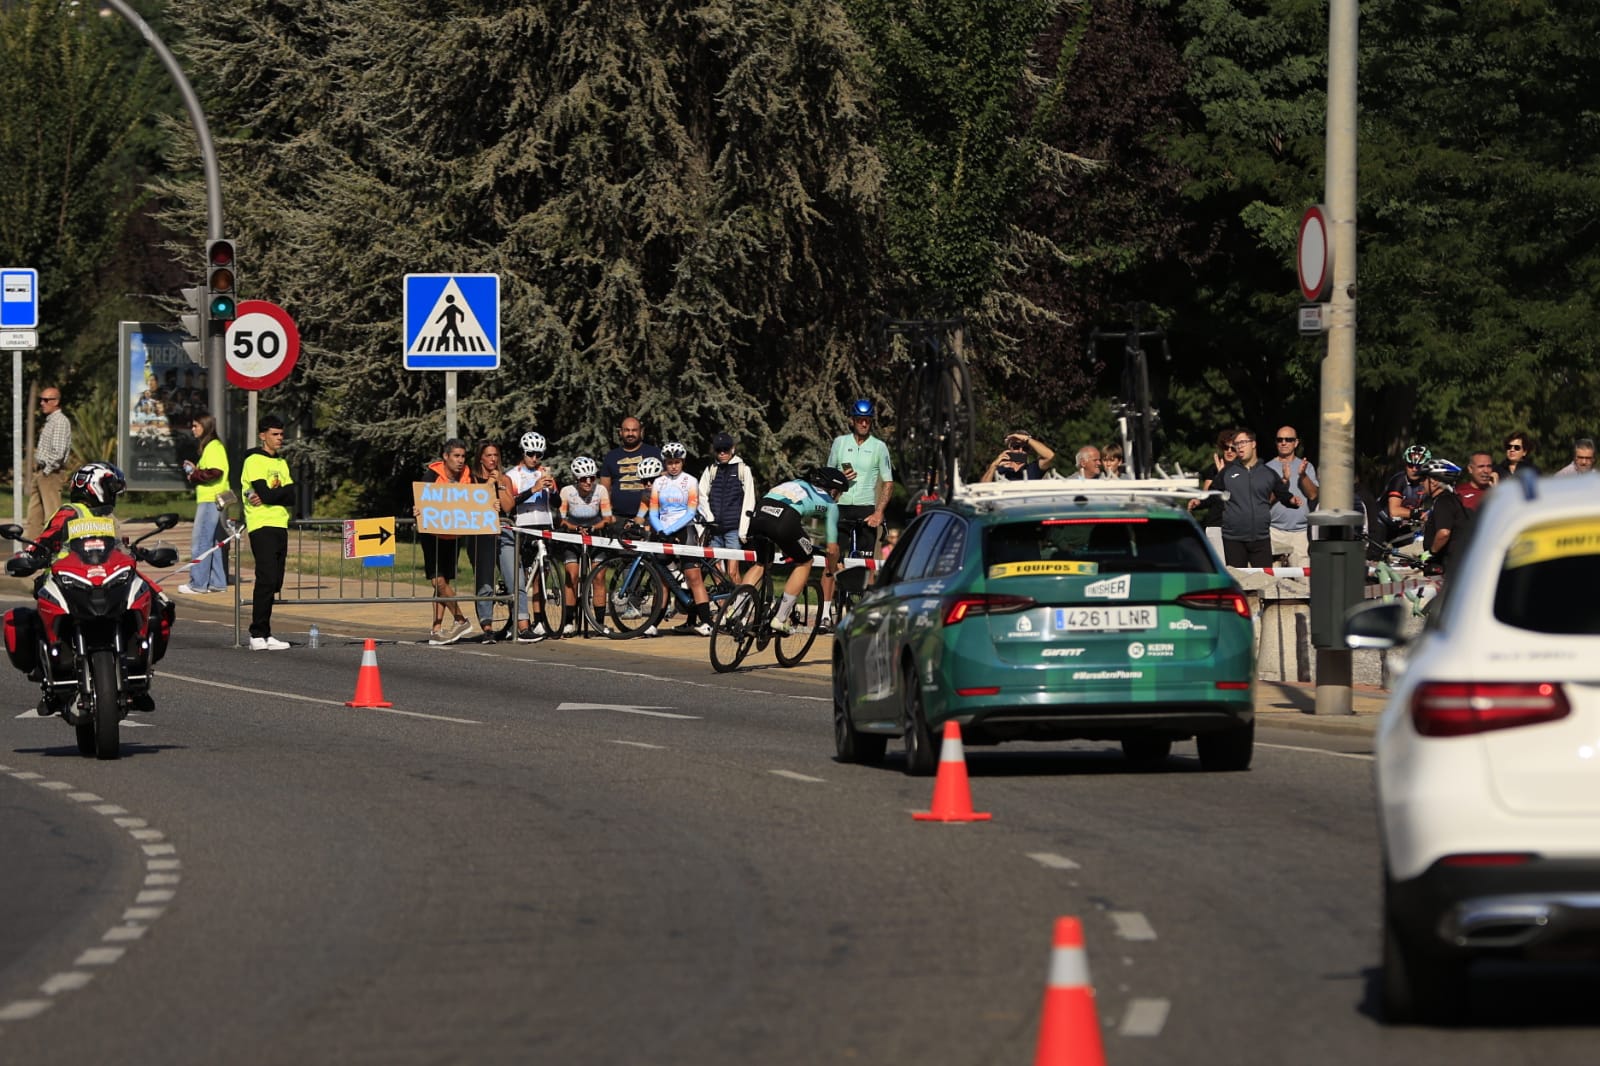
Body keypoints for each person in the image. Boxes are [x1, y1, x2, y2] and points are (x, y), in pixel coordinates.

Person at [12, 462, 171, 714]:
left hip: (106, 577)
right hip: (67, 577)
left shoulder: (106, 518)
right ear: (93, 486)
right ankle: (47, 676)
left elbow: (121, 547)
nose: (113, 494)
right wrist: (30, 556)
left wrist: (142, 552)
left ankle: (139, 676)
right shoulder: (68, 513)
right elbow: (44, 540)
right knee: (38, 611)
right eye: (110, 488)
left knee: (161, 607)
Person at [740, 467, 846, 635]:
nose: (839, 498)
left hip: (760, 513)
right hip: (784, 520)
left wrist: (789, 545)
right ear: (834, 491)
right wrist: (832, 571)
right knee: (805, 561)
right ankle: (780, 618)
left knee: (761, 563)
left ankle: (735, 610)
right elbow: (832, 549)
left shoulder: (797, 483)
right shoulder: (831, 504)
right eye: (840, 494)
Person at [824, 399, 893, 618]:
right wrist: (840, 479)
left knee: (866, 564)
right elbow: (827, 476)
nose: (864, 424)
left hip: (866, 509)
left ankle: (864, 613)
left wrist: (879, 512)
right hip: (841, 506)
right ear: (852, 421)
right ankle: (825, 613)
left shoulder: (879, 447)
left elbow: (888, 482)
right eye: (860, 420)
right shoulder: (839, 443)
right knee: (831, 557)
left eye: (867, 421)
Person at [638, 442, 714, 636]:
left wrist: (671, 530)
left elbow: (691, 512)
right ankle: (653, 624)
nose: (673, 466)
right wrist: (661, 530)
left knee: (693, 577)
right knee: (663, 580)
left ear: (682, 462)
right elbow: (653, 511)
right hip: (662, 529)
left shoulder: (690, 481)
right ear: (665, 463)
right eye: (670, 462)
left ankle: (707, 623)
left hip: (684, 529)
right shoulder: (658, 483)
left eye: (677, 462)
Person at [241, 416, 295, 651]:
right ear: (263, 436)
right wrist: (273, 495)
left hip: (280, 523)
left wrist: (272, 496)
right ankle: (257, 633)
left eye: (281, 434)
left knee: (276, 581)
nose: (279, 438)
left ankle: (267, 632)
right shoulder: (254, 460)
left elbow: (291, 495)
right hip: (261, 524)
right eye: (275, 434)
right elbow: (265, 493)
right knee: (266, 578)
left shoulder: (281, 462)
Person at [415, 438, 476, 645]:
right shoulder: (431, 476)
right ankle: (461, 620)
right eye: (456, 456)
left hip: (453, 535)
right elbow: (420, 499)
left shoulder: (468, 477)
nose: (460, 460)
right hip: (432, 535)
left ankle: (436, 629)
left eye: (463, 456)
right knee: (438, 581)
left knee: (443, 583)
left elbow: (478, 499)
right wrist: (417, 509)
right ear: (445, 457)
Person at [505, 431, 560, 642]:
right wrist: (533, 489)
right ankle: (515, 620)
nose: (535, 458)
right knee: (521, 578)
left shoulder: (545, 473)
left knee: (540, 576)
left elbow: (556, 503)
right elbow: (511, 504)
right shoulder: (513, 475)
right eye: (530, 454)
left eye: (539, 455)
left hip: (544, 525)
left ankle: (539, 621)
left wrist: (552, 491)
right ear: (523, 452)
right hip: (523, 526)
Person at [1210, 430, 1294, 567]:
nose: (1239, 447)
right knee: (1239, 579)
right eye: (1237, 444)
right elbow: (1211, 495)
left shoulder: (1268, 473)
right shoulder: (1227, 472)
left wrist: (1292, 501)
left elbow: (1282, 494)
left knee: (1265, 579)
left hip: (1261, 538)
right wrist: (1198, 502)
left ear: (1253, 444)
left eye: (1243, 442)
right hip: (1233, 538)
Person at [557, 456, 614, 636]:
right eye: (583, 479)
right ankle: (568, 622)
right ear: (576, 478)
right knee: (572, 576)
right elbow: (561, 519)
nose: (588, 482)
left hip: (595, 532)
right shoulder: (567, 491)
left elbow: (607, 518)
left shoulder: (601, 490)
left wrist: (593, 528)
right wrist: (575, 528)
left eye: (592, 478)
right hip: (573, 533)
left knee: (599, 578)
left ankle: (599, 623)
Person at [178, 412, 230, 595]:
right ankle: (217, 582)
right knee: (213, 542)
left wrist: (194, 475)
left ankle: (198, 584)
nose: (193, 429)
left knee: (201, 541)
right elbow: (211, 470)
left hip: (210, 499)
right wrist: (196, 470)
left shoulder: (214, 446)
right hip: (211, 499)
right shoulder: (211, 447)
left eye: (196, 426)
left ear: (205, 426)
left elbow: (216, 472)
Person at [471, 440, 517, 642]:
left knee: (512, 578)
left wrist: (499, 485)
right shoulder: (472, 479)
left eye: (496, 455)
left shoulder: (504, 479)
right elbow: (472, 503)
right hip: (480, 533)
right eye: (488, 455)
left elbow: (508, 507)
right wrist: (488, 484)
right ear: (480, 458)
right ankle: (487, 625)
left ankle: (519, 622)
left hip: (502, 533)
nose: (493, 459)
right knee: (484, 580)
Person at [698, 432, 755, 582]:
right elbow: (701, 495)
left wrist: (743, 530)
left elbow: (749, 500)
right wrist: (709, 518)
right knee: (716, 571)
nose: (722, 453)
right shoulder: (711, 469)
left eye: (726, 449)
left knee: (732, 572)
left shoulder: (743, 469)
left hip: (734, 529)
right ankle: (723, 598)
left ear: (732, 449)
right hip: (714, 530)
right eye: (719, 450)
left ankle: (741, 597)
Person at [1265, 425, 1319, 569]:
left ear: (1296, 443)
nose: (1284, 443)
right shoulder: (1267, 468)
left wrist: (1303, 475)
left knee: (1304, 579)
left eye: (1288, 439)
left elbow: (1313, 495)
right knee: (1272, 580)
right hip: (1274, 532)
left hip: (1301, 534)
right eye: (1280, 440)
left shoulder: (1306, 466)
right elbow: (1264, 501)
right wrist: (1283, 482)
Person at [25, 386, 71, 542]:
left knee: (52, 517)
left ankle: (54, 548)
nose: (42, 403)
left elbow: (58, 453)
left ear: (56, 402)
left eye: (46, 400)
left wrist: (47, 470)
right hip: (42, 473)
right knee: (34, 516)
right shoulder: (51, 421)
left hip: (51, 474)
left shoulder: (60, 421)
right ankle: (33, 548)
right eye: (41, 400)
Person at [600, 416, 663, 527]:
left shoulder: (655, 453)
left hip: (648, 517)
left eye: (634, 430)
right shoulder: (611, 456)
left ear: (641, 432)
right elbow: (604, 490)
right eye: (626, 430)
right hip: (618, 518)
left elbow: (666, 484)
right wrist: (608, 514)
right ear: (620, 432)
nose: (630, 434)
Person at [1190, 428, 1238, 559]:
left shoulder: (1243, 470)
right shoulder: (1213, 469)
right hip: (1216, 523)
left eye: (1233, 448)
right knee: (1220, 563)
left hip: (1236, 525)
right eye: (1226, 447)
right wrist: (1219, 475)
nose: (1229, 451)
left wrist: (1224, 474)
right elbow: (1206, 495)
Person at [1419, 458, 1468, 575]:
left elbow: (1444, 533)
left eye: (1424, 478)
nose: (1421, 483)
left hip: (1448, 565)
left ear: (1434, 481)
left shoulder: (1443, 501)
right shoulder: (1450, 499)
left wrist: (1431, 553)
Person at [1383, 444, 1432, 541]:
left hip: (1403, 525)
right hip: (1383, 522)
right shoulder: (1399, 480)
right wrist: (1420, 514)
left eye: (1418, 466)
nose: (1414, 469)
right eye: (1410, 465)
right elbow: (1394, 511)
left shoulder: (1427, 482)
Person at [980, 431, 1056, 482]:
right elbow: (982, 490)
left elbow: (1050, 456)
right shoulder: (999, 470)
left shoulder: (1033, 469)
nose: (1020, 451)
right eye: (1016, 447)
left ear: (1029, 451)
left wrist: (1027, 439)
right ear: (1009, 448)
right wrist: (993, 466)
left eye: (1025, 448)